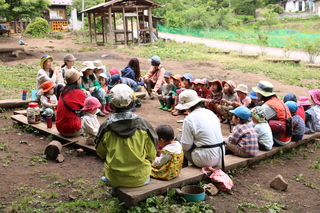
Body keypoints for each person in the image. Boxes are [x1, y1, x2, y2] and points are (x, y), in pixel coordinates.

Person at [95, 84, 158, 188]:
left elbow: (100, 152)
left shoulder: (105, 126)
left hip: (115, 178)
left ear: (111, 103)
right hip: (140, 178)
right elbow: (152, 154)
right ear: (132, 101)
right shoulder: (144, 125)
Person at [175, 89, 225, 168]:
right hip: (220, 155)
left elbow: (186, 146)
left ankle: (183, 168)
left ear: (187, 106)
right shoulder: (210, 113)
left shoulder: (189, 119)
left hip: (205, 159)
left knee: (178, 138)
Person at [253, 81, 292, 146]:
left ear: (261, 94)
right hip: (287, 137)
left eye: (257, 92)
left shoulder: (268, 106)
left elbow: (254, 122)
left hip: (279, 139)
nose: (256, 94)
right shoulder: (276, 100)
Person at [56, 68, 86, 137]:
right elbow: (89, 107)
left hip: (60, 128)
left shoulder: (63, 90)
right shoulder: (78, 93)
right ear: (77, 80)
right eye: (79, 77)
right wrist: (84, 94)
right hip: (71, 131)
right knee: (90, 116)